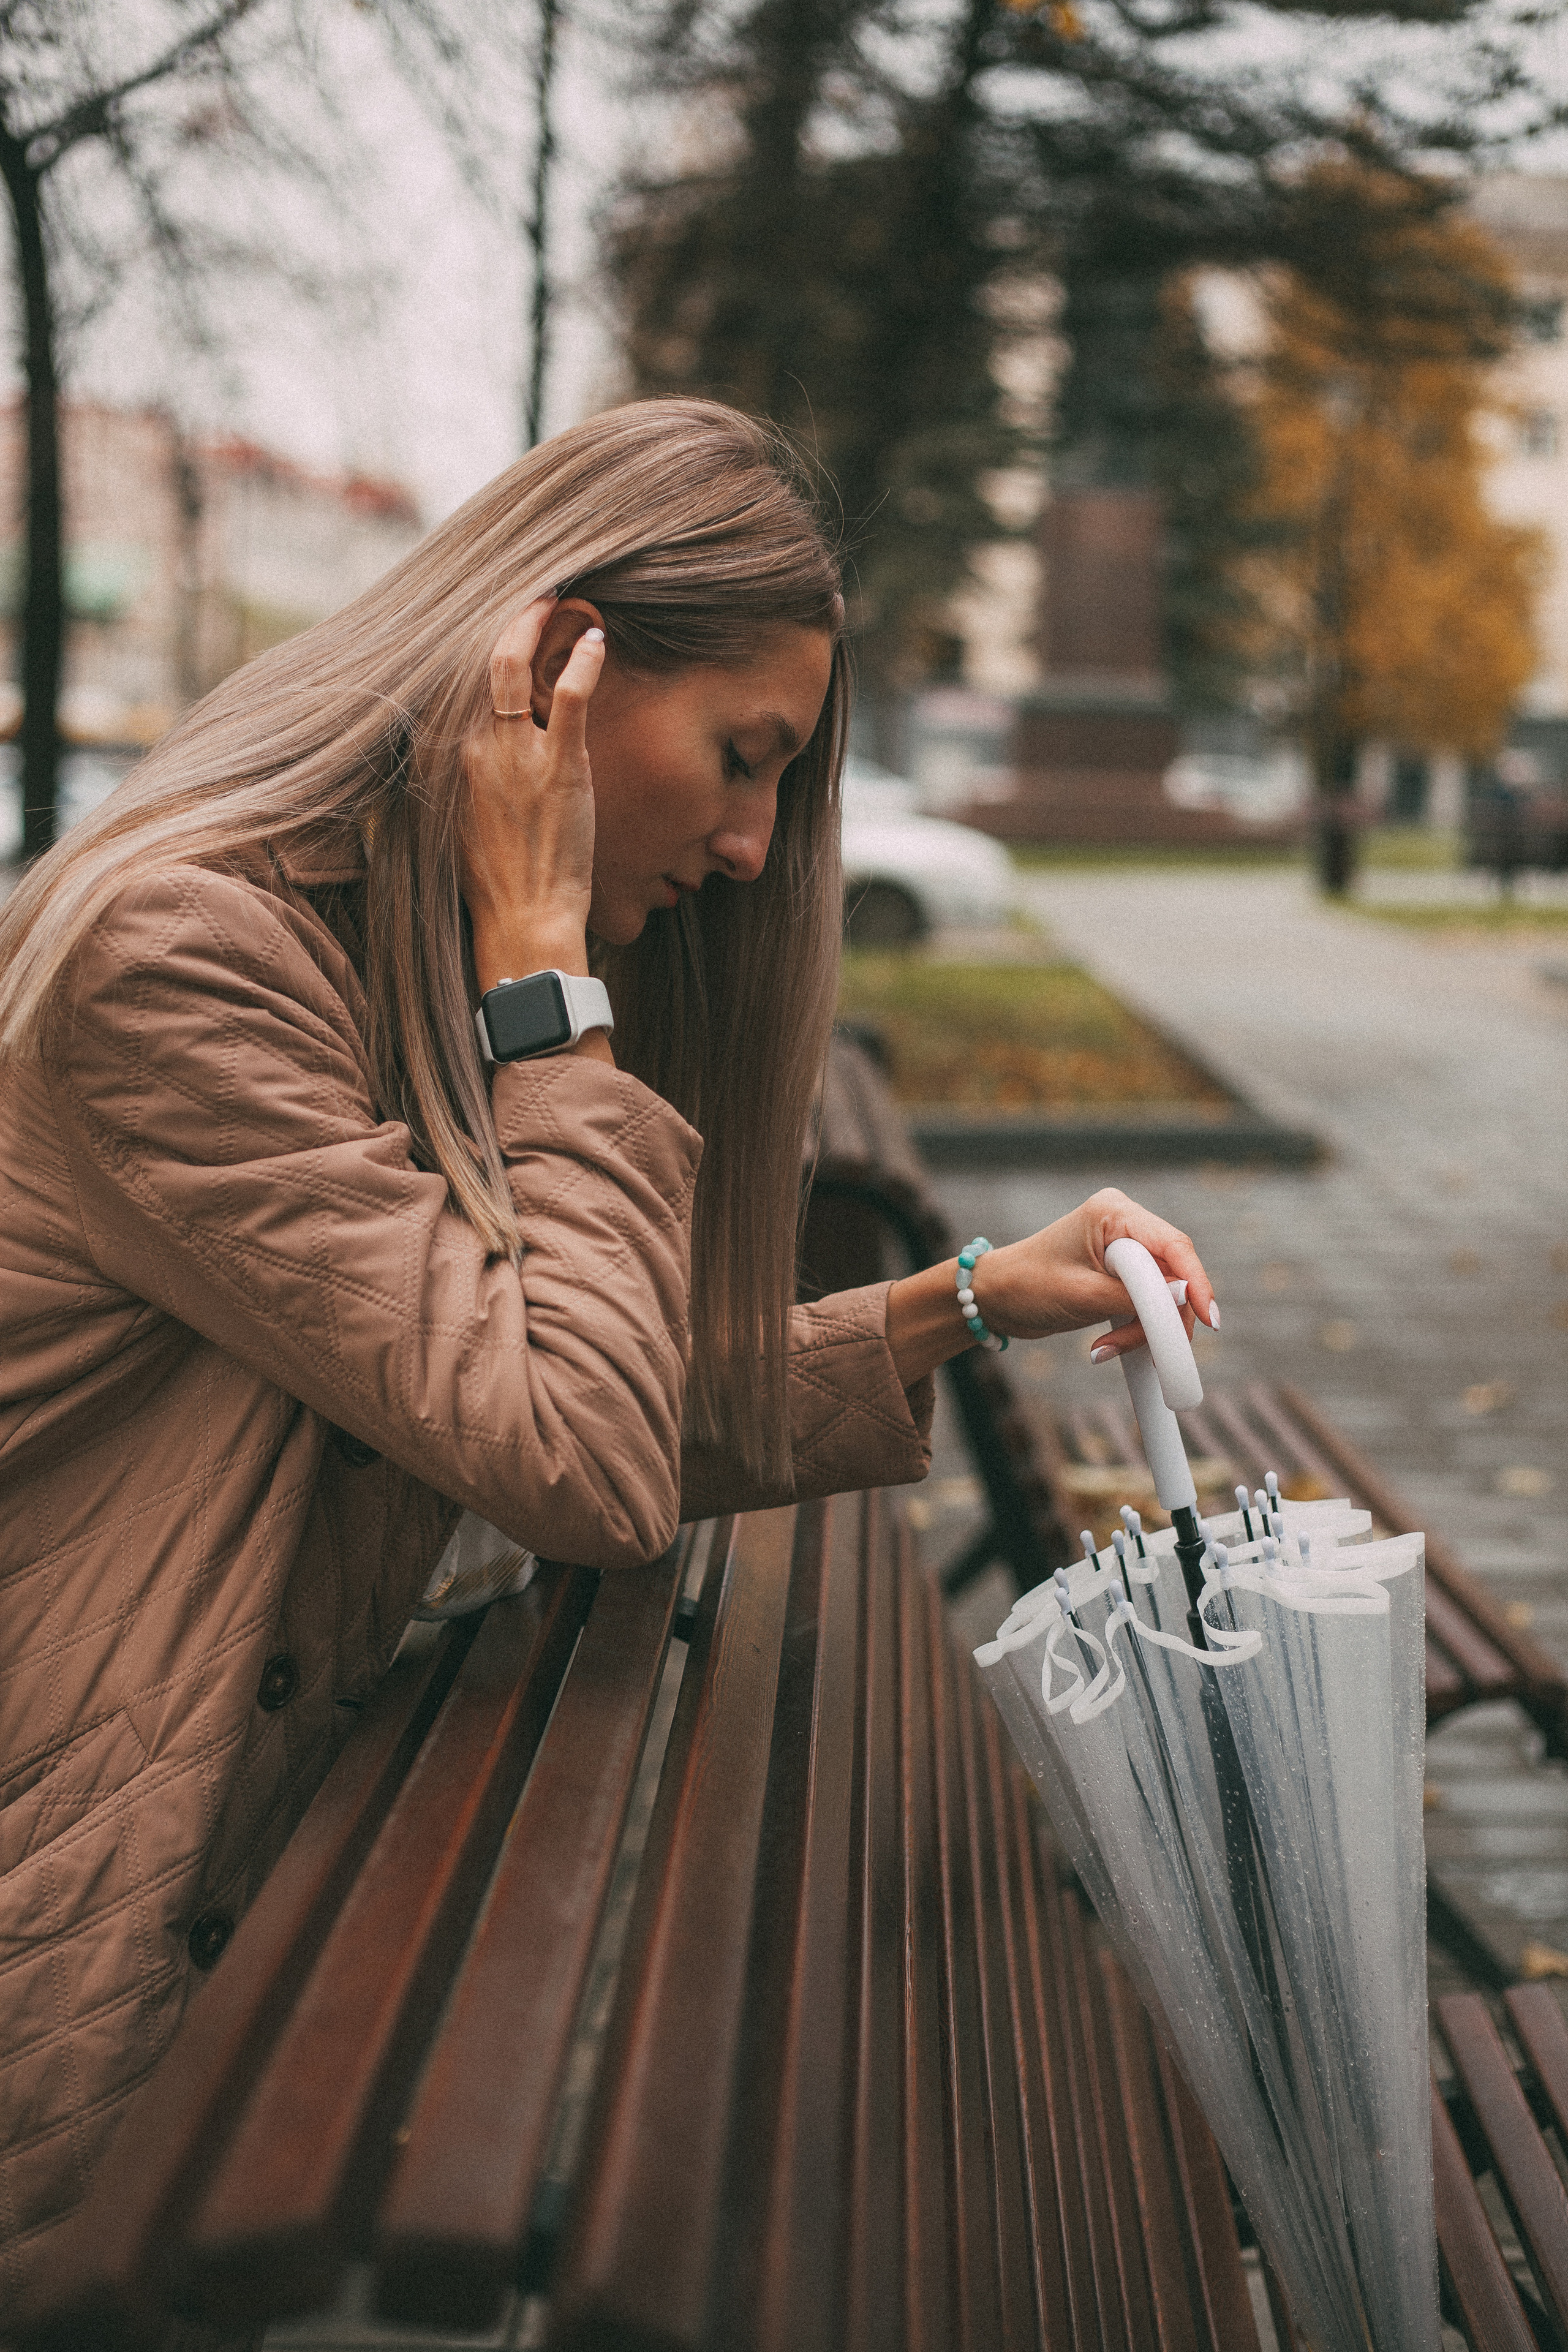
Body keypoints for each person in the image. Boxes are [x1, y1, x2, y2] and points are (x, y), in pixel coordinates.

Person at [0, 398, 1215, 2304]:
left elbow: (575, 1392)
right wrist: (549, 976)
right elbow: (577, 1458)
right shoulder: (190, 958)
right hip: (63, 1939)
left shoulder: (373, 958)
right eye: (744, 762)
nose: (749, 846)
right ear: (553, 678)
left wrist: (958, 1300)